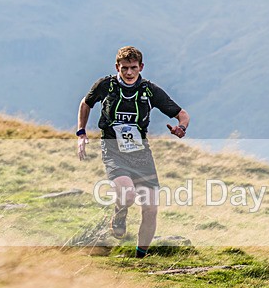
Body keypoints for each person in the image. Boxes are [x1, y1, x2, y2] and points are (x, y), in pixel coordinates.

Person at [76, 46, 190, 258]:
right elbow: (86, 103)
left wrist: (180, 128)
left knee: (151, 209)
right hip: (113, 150)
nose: (129, 73)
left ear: (141, 67)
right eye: (125, 68)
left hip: (141, 153)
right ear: (117, 67)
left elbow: (182, 114)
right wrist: (81, 133)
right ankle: (120, 215)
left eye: (133, 68)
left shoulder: (149, 91)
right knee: (127, 195)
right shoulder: (106, 85)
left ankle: (141, 258)